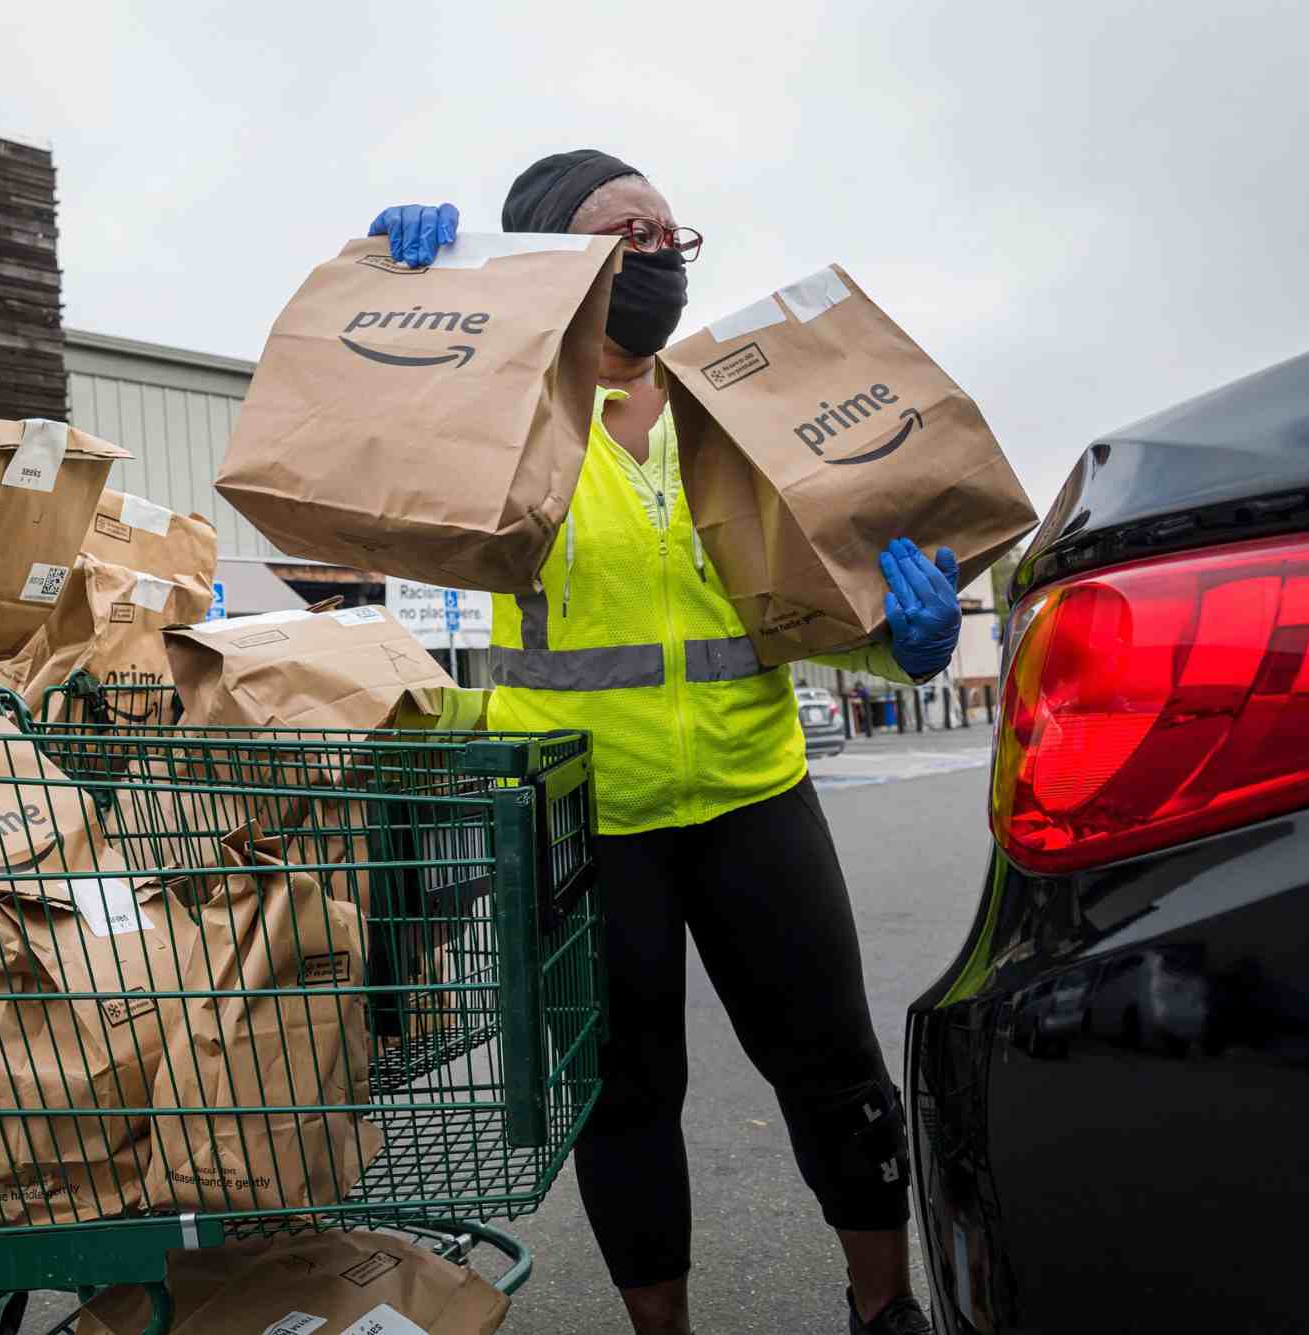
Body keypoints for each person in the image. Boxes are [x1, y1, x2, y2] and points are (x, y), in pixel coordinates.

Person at [368, 152, 960, 1335]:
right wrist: (402, 284)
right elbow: (375, 441)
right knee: (627, 1101)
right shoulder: (498, 416)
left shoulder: (732, 411)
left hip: (753, 795)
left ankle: (882, 1308)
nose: (657, 256)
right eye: (624, 234)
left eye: (669, 236)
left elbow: (791, 600)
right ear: (557, 260)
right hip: (585, 820)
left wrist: (898, 645)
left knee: (837, 1073)